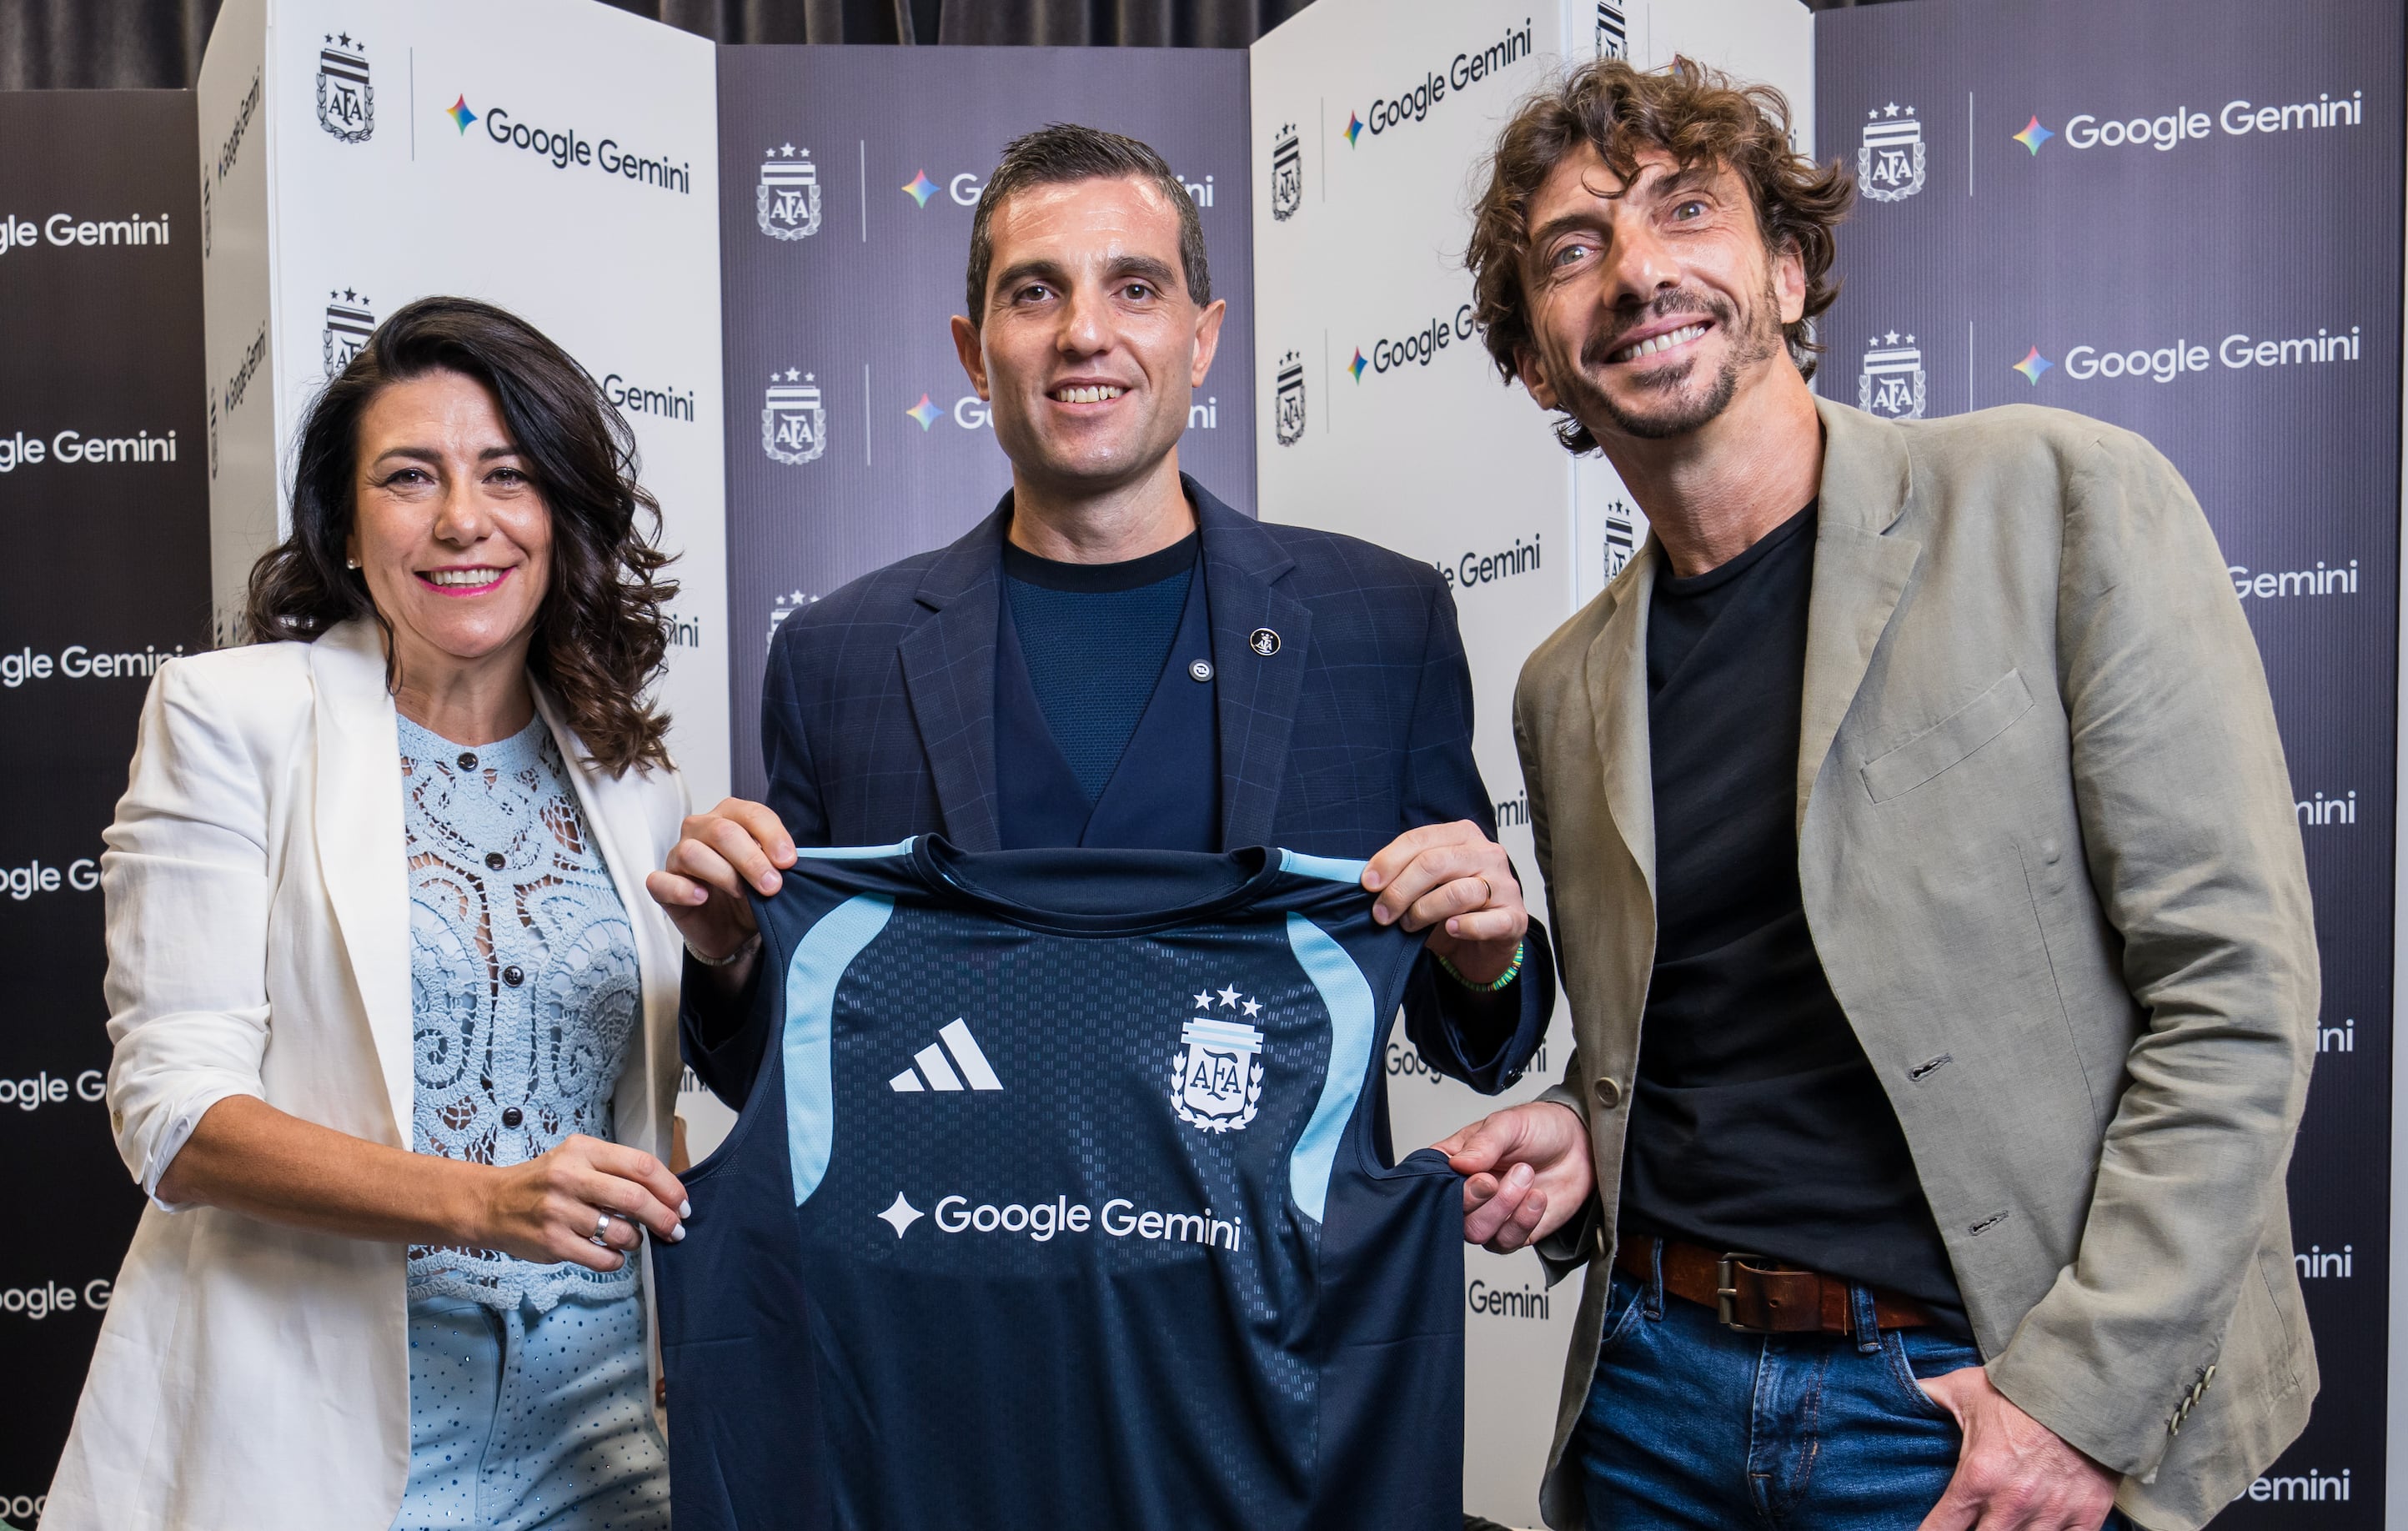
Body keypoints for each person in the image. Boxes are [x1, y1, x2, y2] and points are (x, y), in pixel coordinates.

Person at [1435, 58, 2317, 1531]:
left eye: (1686, 212)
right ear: (1537, 356)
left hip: (1959, 1407)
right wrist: (1583, 1140)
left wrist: (2073, 1403)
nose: (1638, 270)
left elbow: (2233, 993)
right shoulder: (1558, 685)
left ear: (1784, 271)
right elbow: (1702, 1040)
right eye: (1571, 252)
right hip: (1646, 1401)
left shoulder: (2058, 498)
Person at [649, 123, 1549, 1110]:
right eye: (1034, 291)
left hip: (1280, 1263)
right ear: (972, 354)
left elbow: (1473, 1042)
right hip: (949, 1249)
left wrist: (1488, 961)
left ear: (1201, 340)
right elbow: (775, 1067)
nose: (1084, 332)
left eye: (1134, 287)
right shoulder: (835, 660)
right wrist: (729, 957)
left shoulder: (1380, 625)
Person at [45, 297, 695, 1531]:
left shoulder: (634, 779)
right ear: (347, 527)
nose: (463, 520)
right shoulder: (228, 719)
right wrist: (484, 1201)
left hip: (602, 1434)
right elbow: (175, 1122)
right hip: (331, 1438)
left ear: (559, 512)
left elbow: (625, 1100)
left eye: (507, 475)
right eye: (410, 477)